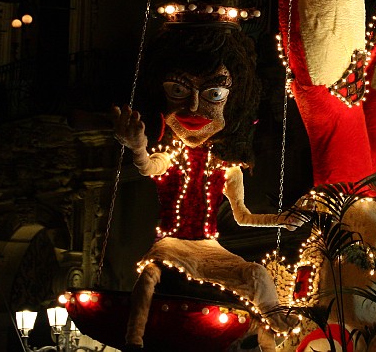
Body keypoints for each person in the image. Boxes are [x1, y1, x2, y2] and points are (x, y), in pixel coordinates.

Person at [113, 23, 302, 351]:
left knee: (257, 275)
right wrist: (138, 146)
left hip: (210, 250)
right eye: (179, 92)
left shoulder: (227, 166)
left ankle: (275, 329)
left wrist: (280, 220)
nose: (194, 107)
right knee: (148, 277)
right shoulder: (172, 155)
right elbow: (147, 167)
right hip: (171, 245)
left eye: (213, 94)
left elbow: (243, 216)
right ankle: (134, 341)